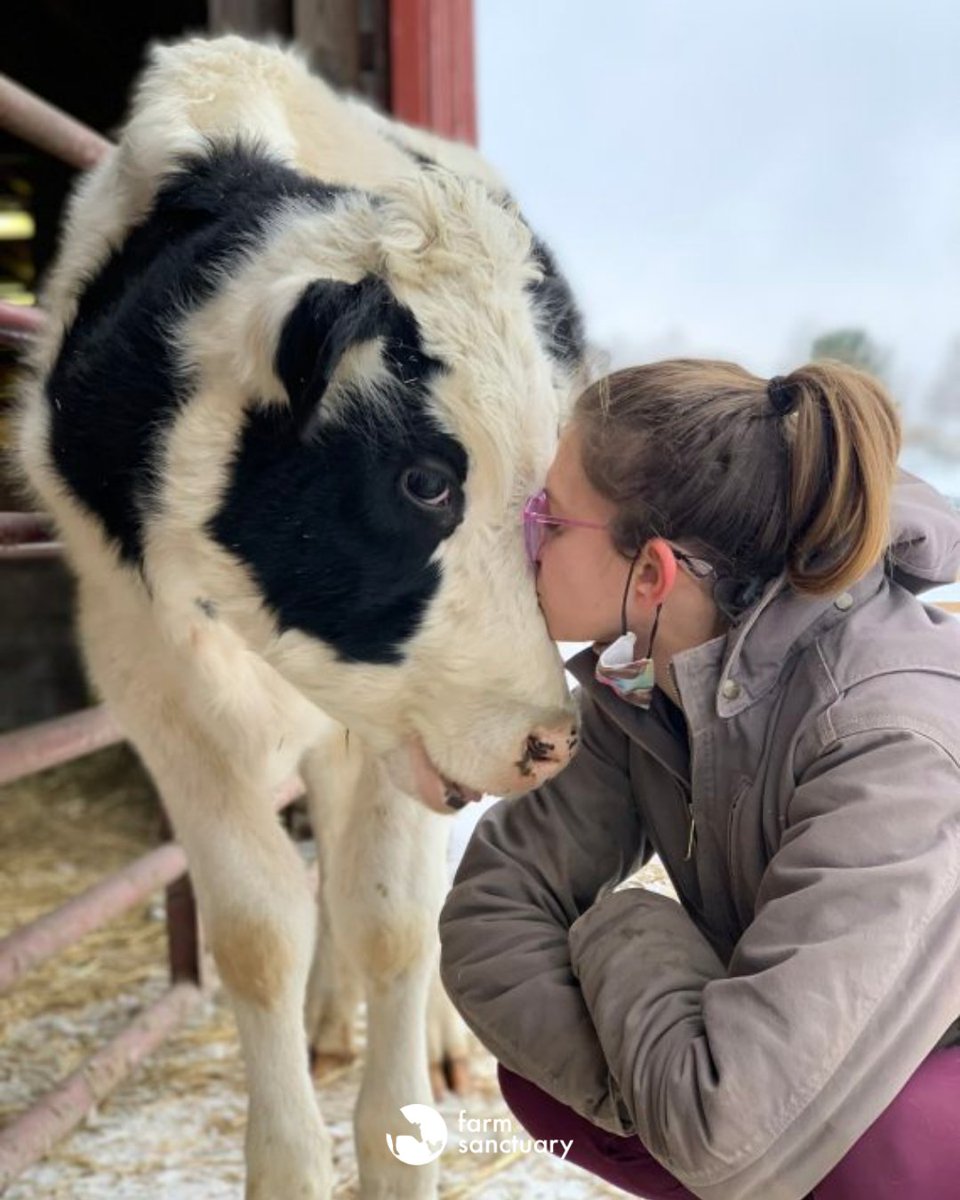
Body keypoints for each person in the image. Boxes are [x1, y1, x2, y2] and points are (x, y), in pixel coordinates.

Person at [437, 359, 960, 1200]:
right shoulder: (647, 678)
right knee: (541, 1084)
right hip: (796, 1074)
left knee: (870, 1148)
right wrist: (671, 1093)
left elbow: (727, 1128)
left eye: (547, 517)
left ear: (652, 574)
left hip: (928, 1080)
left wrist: (621, 930)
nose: (519, 537)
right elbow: (488, 918)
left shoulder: (886, 738)